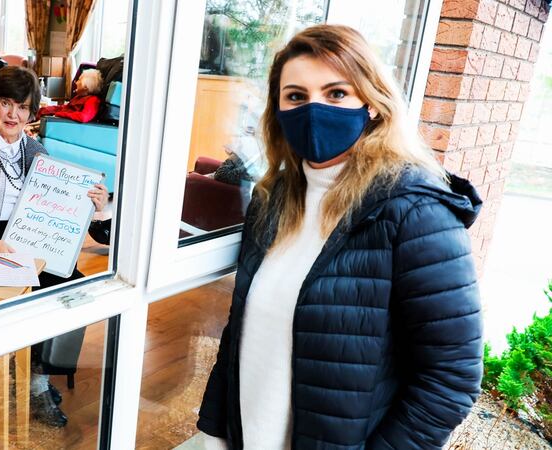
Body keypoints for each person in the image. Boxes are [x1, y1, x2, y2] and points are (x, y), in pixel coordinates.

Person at [197, 24, 483, 449]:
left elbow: (450, 378)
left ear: (370, 102)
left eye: (336, 93)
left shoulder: (414, 210)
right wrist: (215, 430)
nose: (314, 110)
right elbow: (240, 329)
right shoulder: (272, 199)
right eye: (296, 96)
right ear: (278, 109)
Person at [0, 66, 109, 427]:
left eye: (23, 108)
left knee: (75, 292)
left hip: (30, 241)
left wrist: (96, 205)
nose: (13, 115)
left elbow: (59, 204)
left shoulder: (34, 149)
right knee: (36, 298)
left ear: (32, 113)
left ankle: (36, 375)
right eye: (6, 103)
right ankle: (34, 384)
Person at [38, 69, 103, 123]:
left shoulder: (93, 100)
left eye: (79, 80)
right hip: (59, 118)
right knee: (41, 111)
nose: (76, 82)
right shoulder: (78, 97)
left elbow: (83, 117)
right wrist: (46, 110)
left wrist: (59, 114)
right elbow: (66, 108)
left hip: (65, 123)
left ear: (85, 86)